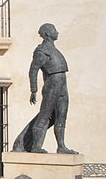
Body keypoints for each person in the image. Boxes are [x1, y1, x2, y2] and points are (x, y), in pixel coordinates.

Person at [11, 23, 78, 154]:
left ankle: (61, 146)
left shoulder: (54, 50)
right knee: (45, 116)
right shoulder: (42, 51)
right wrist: (33, 90)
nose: (57, 32)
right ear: (47, 34)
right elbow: (33, 70)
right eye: (54, 30)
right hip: (52, 84)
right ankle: (35, 146)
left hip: (62, 85)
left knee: (61, 116)